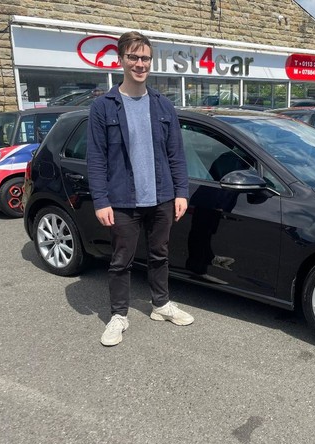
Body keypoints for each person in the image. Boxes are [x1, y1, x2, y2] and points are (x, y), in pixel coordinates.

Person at [87, 31, 193, 347]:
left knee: (160, 254)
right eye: (133, 57)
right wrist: (101, 200)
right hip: (121, 199)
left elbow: (176, 152)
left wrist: (181, 191)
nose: (139, 63)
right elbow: (96, 159)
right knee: (121, 260)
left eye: (145, 57)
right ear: (121, 60)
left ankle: (161, 305)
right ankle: (118, 316)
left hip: (161, 196)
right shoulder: (103, 107)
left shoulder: (162, 105)